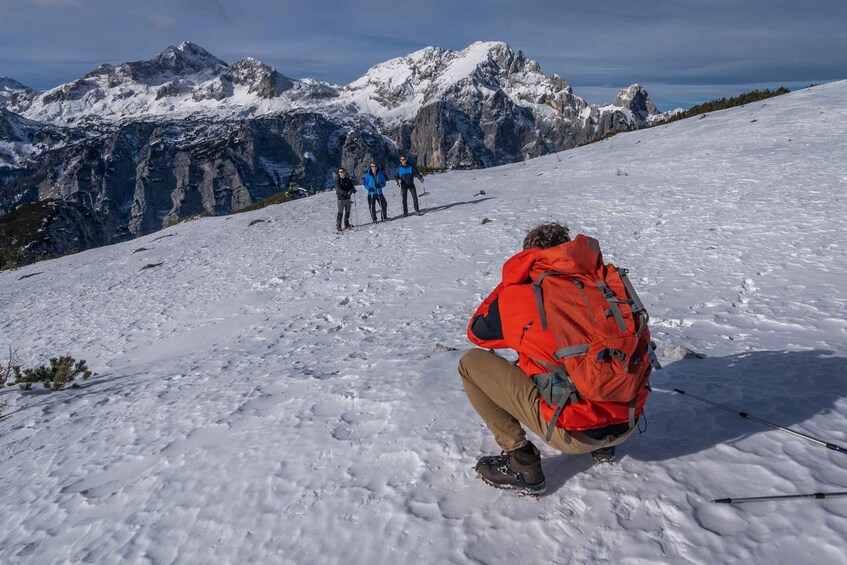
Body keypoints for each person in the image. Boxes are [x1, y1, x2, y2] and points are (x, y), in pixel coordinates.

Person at [458, 223, 650, 496]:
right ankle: (605, 446)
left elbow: (477, 332)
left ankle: (521, 462)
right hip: (628, 420)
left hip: (574, 434)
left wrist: (513, 280)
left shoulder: (522, 294)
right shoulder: (606, 283)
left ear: (529, 258)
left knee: (470, 364)